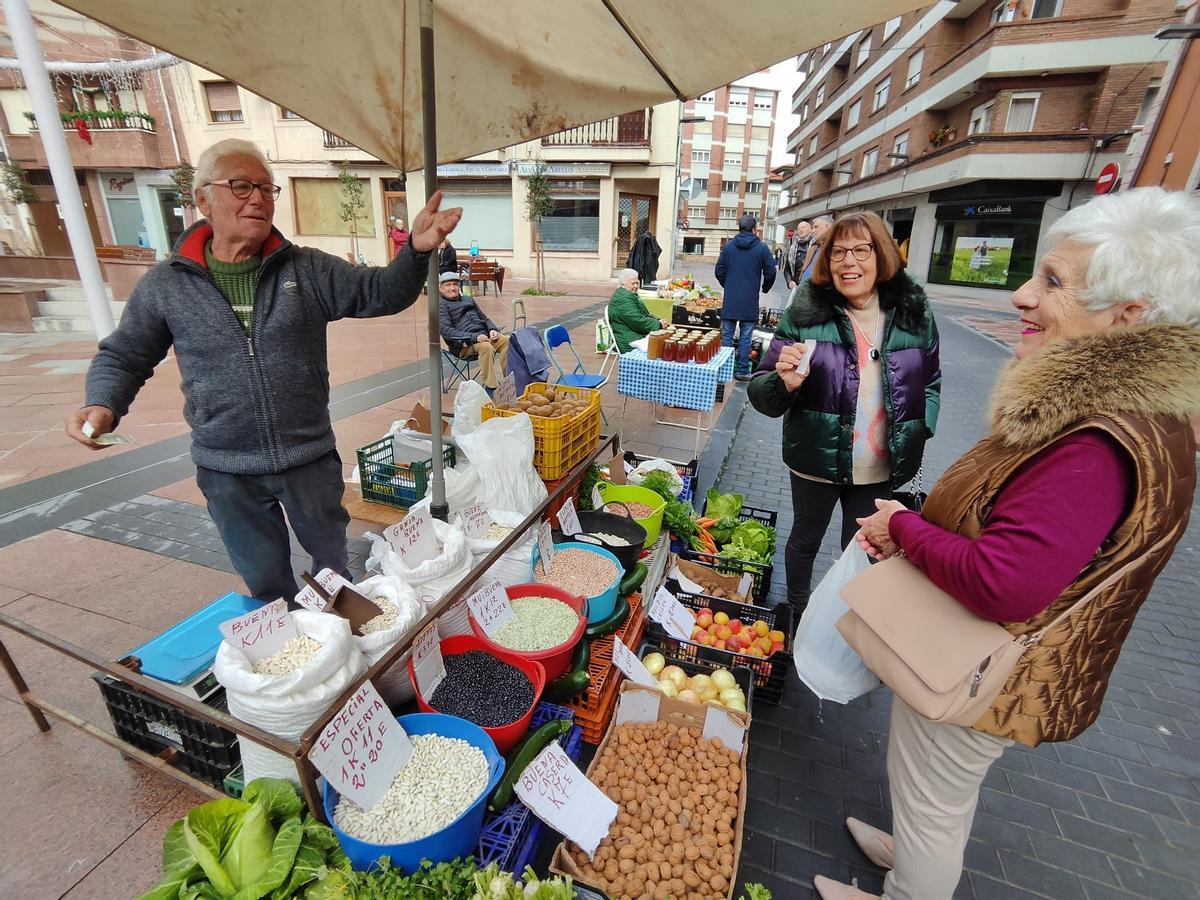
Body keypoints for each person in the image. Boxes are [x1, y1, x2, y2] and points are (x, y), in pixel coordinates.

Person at [814, 187, 1200, 900]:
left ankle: (909, 884)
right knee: (929, 786)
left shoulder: (1098, 442)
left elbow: (1006, 582)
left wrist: (903, 526)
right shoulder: (1116, 410)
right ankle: (909, 853)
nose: (1023, 295)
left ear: (1129, 316)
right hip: (982, 651)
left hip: (987, 666)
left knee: (936, 795)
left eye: (1053, 281)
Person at [66, 138, 461, 602]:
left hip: (307, 457)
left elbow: (379, 292)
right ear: (202, 199)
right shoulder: (166, 286)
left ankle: (343, 645)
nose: (257, 198)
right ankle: (292, 653)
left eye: (266, 189)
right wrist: (103, 403)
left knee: (334, 571)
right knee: (266, 583)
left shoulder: (306, 269)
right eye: (240, 186)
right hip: (226, 468)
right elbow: (125, 354)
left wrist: (415, 250)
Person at [747, 211, 940, 615]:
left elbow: (932, 381)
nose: (848, 262)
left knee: (864, 548)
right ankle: (798, 612)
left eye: (860, 250)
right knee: (805, 539)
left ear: (882, 255)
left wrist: (920, 430)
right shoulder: (806, 310)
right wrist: (784, 383)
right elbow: (760, 391)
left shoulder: (912, 311)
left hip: (879, 465)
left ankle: (848, 618)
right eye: (837, 253)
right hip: (815, 457)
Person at [715, 214, 776, 380]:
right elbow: (771, 272)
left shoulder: (728, 247)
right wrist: (765, 288)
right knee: (746, 336)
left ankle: (724, 370)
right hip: (750, 300)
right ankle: (742, 371)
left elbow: (718, 271)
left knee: (727, 335)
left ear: (739, 228)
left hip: (731, 299)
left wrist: (727, 285)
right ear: (754, 229)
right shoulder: (762, 248)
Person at [438, 271, 509, 389]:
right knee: (486, 347)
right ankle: (491, 387)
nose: (452, 288)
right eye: (448, 285)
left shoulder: (468, 299)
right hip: (464, 345)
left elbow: (485, 318)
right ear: (441, 288)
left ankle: (509, 380)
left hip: (484, 337)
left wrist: (492, 329)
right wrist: (475, 337)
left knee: (509, 340)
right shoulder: (440, 305)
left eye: (455, 284)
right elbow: (446, 330)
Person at [608, 268, 667, 353]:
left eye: (637, 283)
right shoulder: (623, 299)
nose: (636, 286)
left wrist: (658, 321)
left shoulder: (627, 294)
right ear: (623, 284)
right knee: (661, 347)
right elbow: (637, 320)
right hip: (628, 340)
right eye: (633, 283)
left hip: (632, 333)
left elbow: (643, 315)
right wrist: (658, 324)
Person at [800, 214, 834, 280]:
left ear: (828, 227)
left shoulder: (834, 248)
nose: (813, 231)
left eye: (816, 227)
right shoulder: (816, 246)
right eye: (812, 228)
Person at [783, 220, 812, 290]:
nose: (801, 230)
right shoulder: (792, 248)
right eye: (799, 228)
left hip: (811, 286)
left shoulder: (815, 245)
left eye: (803, 227)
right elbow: (787, 269)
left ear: (810, 229)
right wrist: (789, 282)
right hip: (796, 286)